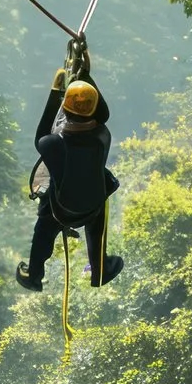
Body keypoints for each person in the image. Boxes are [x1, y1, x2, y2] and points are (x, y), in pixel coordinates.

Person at [19, 63, 122, 290]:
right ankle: (100, 268)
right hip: (93, 205)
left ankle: (34, 275)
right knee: (98, 216)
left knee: (43, 230)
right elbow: (103, 113)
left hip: (61, 210)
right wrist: (85, 75)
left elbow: (41, 136)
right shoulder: (103, 136)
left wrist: (56, 93)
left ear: (65, 111)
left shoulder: (54, 144)